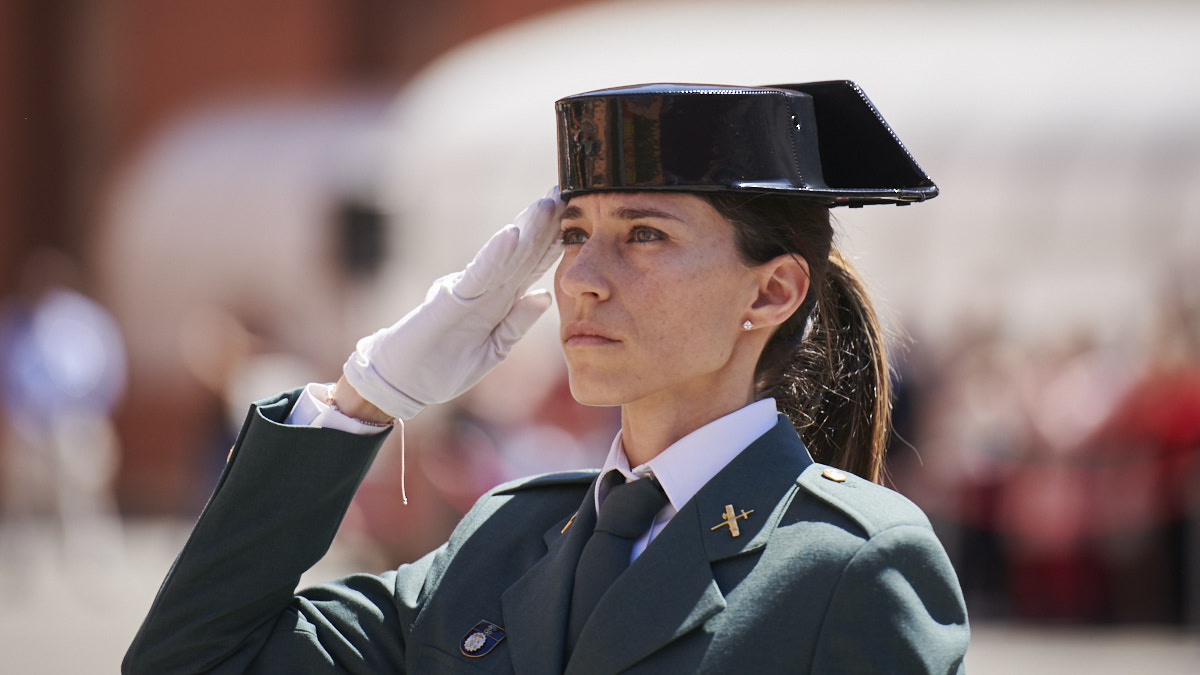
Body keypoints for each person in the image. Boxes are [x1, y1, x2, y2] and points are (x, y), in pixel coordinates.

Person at [125, 81, 969, 674]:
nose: (581, 278)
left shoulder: (849, 564)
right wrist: (362, 399)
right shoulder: (504, 538)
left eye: (644, 234)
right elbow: (189, 660)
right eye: (574, 232)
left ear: (773, 288)